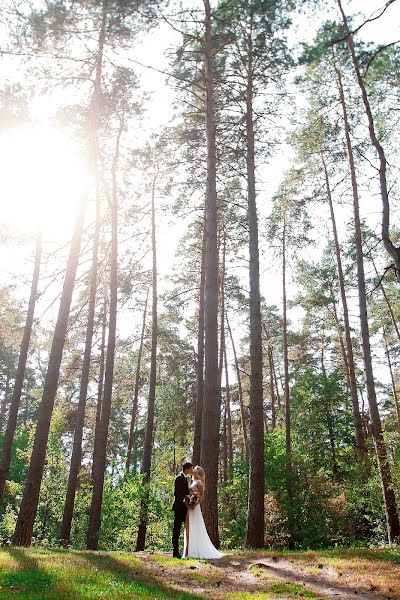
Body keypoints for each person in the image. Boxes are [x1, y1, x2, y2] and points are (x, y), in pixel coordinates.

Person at [183, 465, 224, 559]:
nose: (193, 470)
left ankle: (191, 551)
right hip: (189, 507)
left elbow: (201, 496)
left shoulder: (199, 483)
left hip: (194, 508)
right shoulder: (193, 482)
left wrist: (194, 503)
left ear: (198, 472)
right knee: (188, 527)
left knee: (193, 527)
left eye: (195, 469)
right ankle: (187, 550)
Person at [172, 461, 193, 558]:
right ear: (187, 469)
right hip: (179, 507)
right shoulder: (179, 478)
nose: (191, 471)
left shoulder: (185, 479)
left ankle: (186, 550)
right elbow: (177, 493)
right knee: (176, 529)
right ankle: (175, 552)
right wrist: (186, 497)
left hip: (184, 508)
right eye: (191, 469)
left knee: (186, 528)